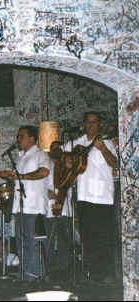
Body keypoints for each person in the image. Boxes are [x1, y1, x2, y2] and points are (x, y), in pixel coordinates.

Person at [64, 111, 118, 284]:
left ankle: (105, 273)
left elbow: (115, 163)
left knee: (103, 236)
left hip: (103, 197)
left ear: (99, 124)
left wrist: (102, 149)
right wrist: (66, 162)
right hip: (84, 195)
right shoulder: (76, 143)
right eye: (88, 122)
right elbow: (60, 156)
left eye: (94, 122)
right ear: (84, 124)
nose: (91, 125)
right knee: (87, 235)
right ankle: (91, 273)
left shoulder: (107, 142)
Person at [0, 125, 51, 282]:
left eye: (21, 136)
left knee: (33, 241)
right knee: (21, 240)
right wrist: (9, 175)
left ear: (32, 139)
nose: (18, 139)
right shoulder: (21, 156)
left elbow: (44, 172)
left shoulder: (40, 154)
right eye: (18, 136)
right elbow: (19, 178)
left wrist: (22, 176)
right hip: (21, 205)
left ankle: (35, 275)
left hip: (34, 205)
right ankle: (24, 273)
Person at [45, 140, 73, 279]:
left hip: (64, 207)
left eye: (58, 149)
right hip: (50, 208)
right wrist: (47, 192)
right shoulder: (46, 165)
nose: (55, 151)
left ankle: (64, 268)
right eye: (53, 149)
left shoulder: (66, 165)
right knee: (49, 237)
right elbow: (42, 183)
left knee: (64, 238)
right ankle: (48, 267)